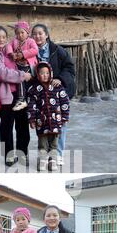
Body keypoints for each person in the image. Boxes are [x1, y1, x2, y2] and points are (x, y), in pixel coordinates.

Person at [0, 26, 32, 167]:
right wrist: (22, 76)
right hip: (5, 94)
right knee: (7, 125)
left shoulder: (10, 51)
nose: (1, 40)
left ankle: (23, 154)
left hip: (19, 93)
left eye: (3, 37)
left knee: (22, 124)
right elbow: (2, 73)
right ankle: (9, 155)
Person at [32, 24, 76, 166]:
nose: (37, 36)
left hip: (57, 93)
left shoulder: (58, 50)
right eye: (34, 34)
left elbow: (69, 67)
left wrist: (61, 79)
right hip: (40, 94)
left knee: (59, 123)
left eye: (40, 33)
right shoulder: (30, 53)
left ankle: (58, 154)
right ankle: (45, 155)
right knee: (43, 124)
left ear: (46, 35)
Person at [27, 62, 70, 172]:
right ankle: (42, 161)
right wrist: (32, 119)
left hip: (56, 121)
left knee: (54, 144)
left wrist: (65, 117)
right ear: (37, 74)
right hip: (41, 123)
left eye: (47, 73)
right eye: (42, 73)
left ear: (50, 73)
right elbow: (31, 105)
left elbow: (64, 102)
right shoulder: (34, 89)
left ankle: (53, 161)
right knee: (42, 144)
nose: (45, 75)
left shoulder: (57, 87)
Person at [6, 21, 38, 111]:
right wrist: (11, 53)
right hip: (18, 65)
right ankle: (21, 98)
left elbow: (35, 50)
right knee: (18, 78)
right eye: (18, 33)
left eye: (22, 32)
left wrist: (23, 54)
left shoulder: (30, 41)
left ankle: (22, 99)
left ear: (27, 33)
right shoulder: (15, 41)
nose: (20, 35)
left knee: (20, 77)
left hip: (28, 66)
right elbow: (8, 46)